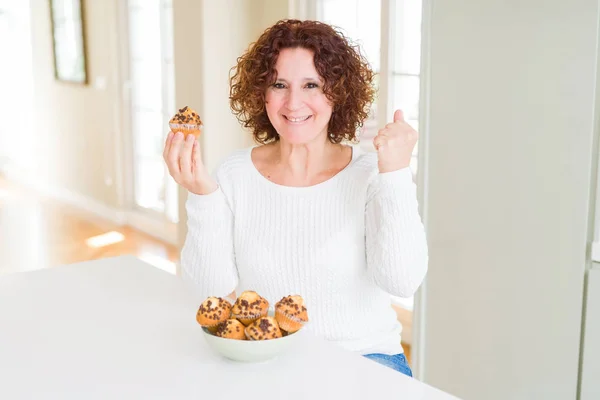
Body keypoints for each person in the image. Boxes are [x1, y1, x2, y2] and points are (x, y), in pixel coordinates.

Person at [163, 19, 428, 377]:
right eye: (279, 84)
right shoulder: (233, 175)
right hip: (266, 361)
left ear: (337, 92)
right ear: (262, 93)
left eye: (311, 85)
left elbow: (402, 280)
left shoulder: (370, 174)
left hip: (363, 360)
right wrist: (201, 196)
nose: (293, 102)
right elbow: (210, 291)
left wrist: (395, 173)